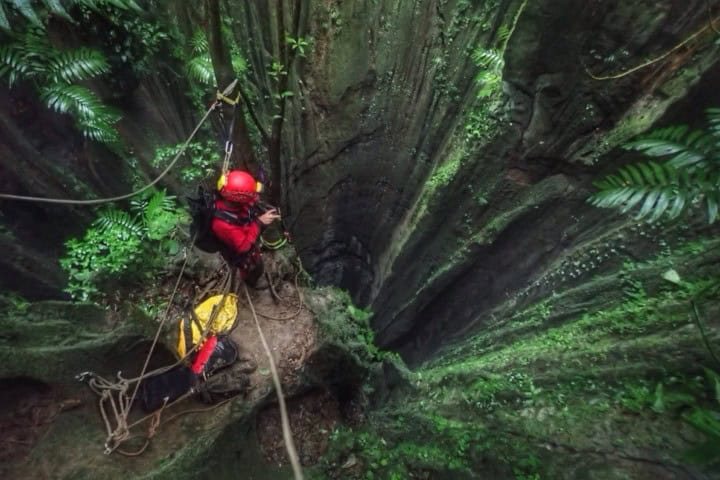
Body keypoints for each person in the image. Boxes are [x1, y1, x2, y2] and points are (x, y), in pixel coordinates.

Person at [212, 170, 281, 285]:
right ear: (238, 201)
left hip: (246, 235)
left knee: (257, 263)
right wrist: (258, 223)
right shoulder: (223, 224)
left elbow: (248, 199)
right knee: (254, 270)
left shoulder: (229, 199)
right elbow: (244, 247)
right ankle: (251, 283)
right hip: (243, 256)